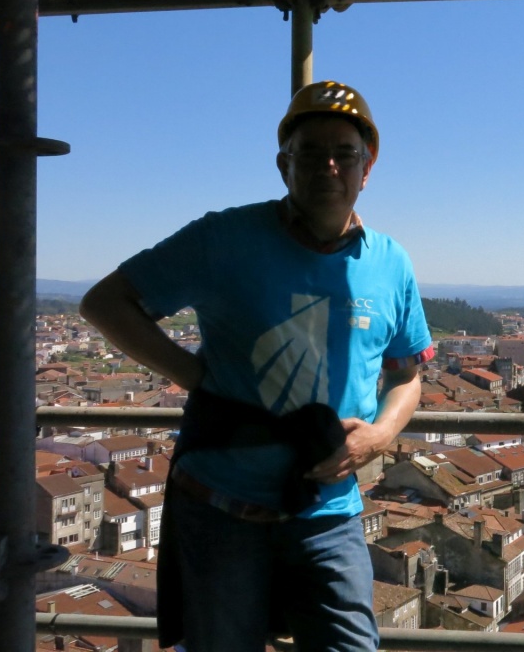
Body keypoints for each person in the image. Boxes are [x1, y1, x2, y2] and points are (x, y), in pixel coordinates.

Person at [80, 80, 435, 652]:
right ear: (283, 165)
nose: (328, 166)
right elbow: (105, 303)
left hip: (329, 511)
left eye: (344, 153)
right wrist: (193, 376)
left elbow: (407, 374)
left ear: (366, 168)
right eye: (310, 153)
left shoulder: (391, 263)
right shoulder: (224, 238)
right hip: (221, 505)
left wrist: (381, 435)